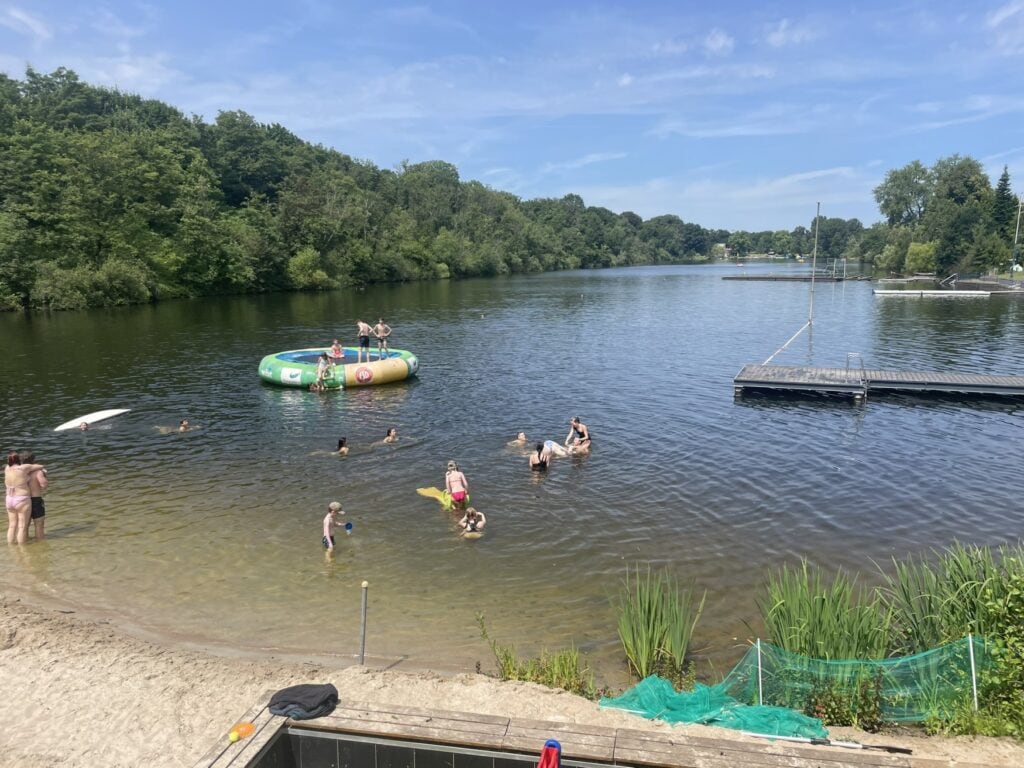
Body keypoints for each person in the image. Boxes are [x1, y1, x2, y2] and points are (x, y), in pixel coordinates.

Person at [6, 452, 44, 545]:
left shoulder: (7, 468)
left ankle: (11, 547)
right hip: (21, 499)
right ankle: (22, 549)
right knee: (22, 526)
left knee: (12, 526)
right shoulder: (24, 468)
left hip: (9, 499)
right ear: (18, 460)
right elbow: (40, 466)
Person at [22, 452, 47, 541]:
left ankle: (25, 542)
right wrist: (44, 476)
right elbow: (44, 485)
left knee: (25, 525)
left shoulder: (21, 473)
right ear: (33, 460)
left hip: (24, 500)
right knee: (39, 524)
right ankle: (40, 544)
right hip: (36, 500)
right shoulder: (38, 472)